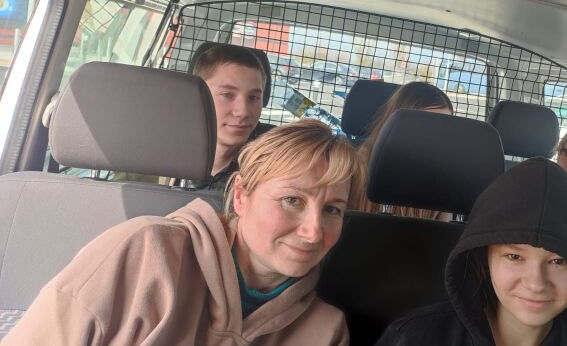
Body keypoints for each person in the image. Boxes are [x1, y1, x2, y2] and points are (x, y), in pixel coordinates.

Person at [2, 119, 364, 345]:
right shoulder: (143, 253)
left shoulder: (326, 331)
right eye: (292, 200)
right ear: (241, 195)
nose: (314, 231)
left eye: (332, 209)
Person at [376, 158, 567, 346]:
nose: (535, 283)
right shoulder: (414, 338)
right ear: (484, 259)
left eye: (559, 261)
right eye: (514, 257)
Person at [348, 81, 453, 219]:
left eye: (444, 127)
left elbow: (444, 230)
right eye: (427, 125)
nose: (436, 136)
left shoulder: (443, 181)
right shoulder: (355, 167)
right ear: (399, 123)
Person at [188, 42, 269, 190]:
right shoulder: (163, 149)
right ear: (197, 95)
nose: (243, 112)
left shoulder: (275, 162)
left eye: (253, 97)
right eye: (227, 95)